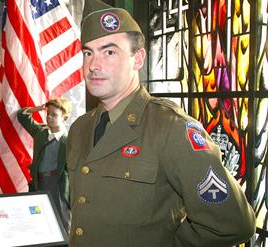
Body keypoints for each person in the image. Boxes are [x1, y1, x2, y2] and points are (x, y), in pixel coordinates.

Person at [66, 1, 256, 246]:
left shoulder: (171, 128)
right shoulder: (80, 129)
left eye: (109, 52)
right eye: (88, 53)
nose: (93, 65)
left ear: (138, 58)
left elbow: (232, 224)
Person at [17, 98, 72, 234]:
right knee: (40, 221)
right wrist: (37, 109)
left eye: (54, 115)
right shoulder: (40, 132)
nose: (49, 117)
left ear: (64, 117)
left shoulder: (70, 139)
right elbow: (22, 116)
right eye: (48, 113)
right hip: (40, 183)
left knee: (62, 223)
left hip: (58, 185)